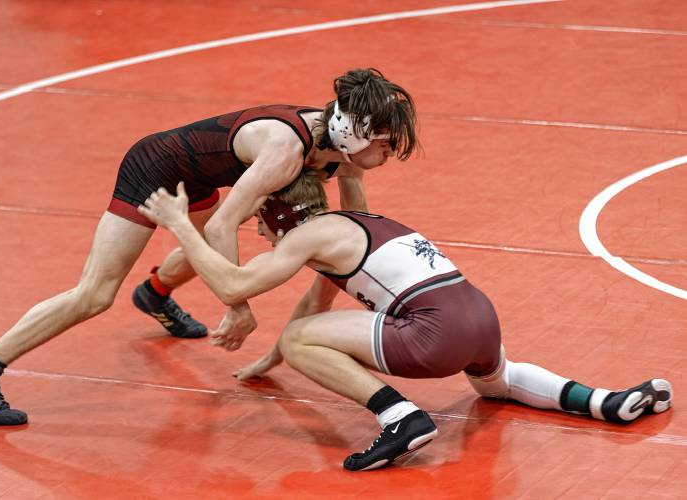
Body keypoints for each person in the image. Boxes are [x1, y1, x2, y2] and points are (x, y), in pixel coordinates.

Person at [0, 68, 419, 426]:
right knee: (95, 294)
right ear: (352, 133)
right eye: (384, 144)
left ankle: (154, 292)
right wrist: (237, 305)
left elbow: (355, 225)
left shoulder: (346, 154)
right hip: (153, 171)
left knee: (205, 242)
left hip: (202, 174)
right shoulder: (285, 152)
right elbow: (222, 228)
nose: (389, 154)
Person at [135, 172, 673, 472]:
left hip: (432, 332)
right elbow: (316, 306)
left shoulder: (307, 235)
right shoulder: (357, 224)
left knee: (298, 338)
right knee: (497, 385)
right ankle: (603, 401)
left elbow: (232, 287)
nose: (260, 236)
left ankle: (401, 420)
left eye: (260, 225)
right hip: (479, 317)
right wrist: (270, 359)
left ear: (280, 216)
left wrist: (182, 224)